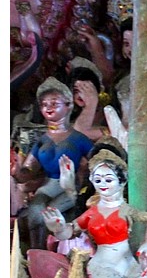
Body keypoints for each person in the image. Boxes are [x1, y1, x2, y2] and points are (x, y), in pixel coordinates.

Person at [41, 143, 147, 278]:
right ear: (92, 181)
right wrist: (59, 228)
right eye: (98, 180)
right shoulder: (92, 212)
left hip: (126, 261)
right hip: (102, 264)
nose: (103, 185)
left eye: (109, 179)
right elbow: (70, 232)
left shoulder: (126, 210)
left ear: (121, 181)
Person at [11, 77, 94, 250]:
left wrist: (82, 176)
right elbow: (28, 170)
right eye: (44, 104)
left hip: (72, 186)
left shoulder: (78, 139)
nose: (48, 107)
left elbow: (96, 163)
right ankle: (36, 252)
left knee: (51, 211)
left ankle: (55, 252)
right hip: (49, 184)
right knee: (35, 208)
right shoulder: (42, 141)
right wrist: (16, 171)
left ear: (69, 105)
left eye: (54, 103)